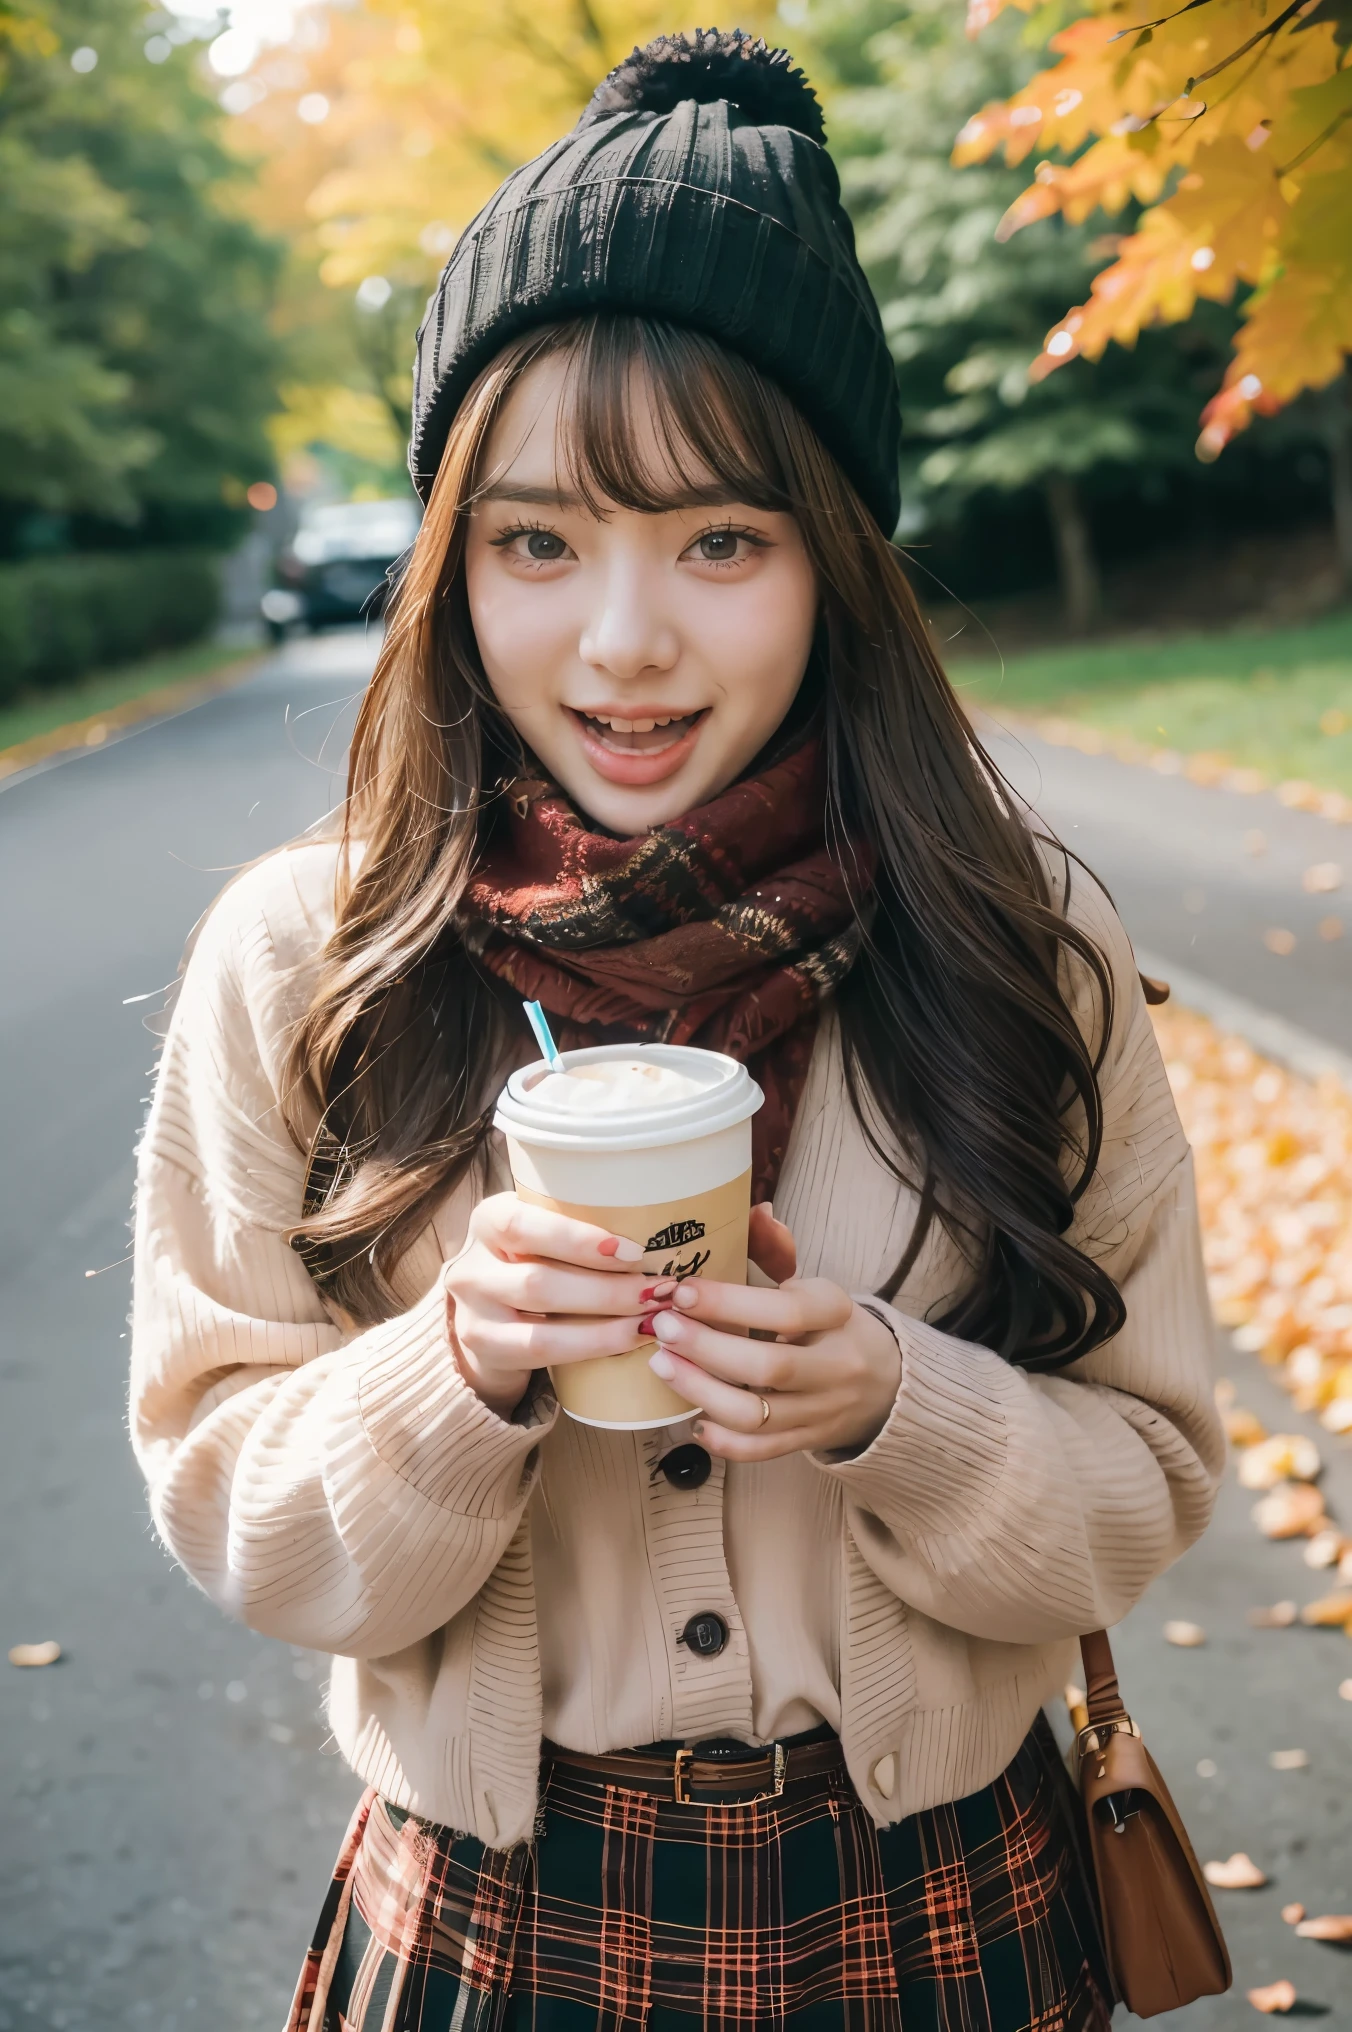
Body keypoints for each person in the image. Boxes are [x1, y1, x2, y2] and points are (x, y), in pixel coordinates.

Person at [130, 30, 1224, 2031]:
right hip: (492, 1929)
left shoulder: (1016, 934)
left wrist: (896, 1400)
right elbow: (234, 1509)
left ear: (834, 561)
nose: (621, 640)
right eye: (536, 540)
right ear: (449, 560)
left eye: (721, 538)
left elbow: (1143, 1478)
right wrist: (453, 1369)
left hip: (946, 1913)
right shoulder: (316, 949)